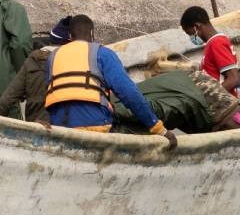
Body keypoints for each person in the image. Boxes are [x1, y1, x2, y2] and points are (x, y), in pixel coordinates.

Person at [44, 15, 175, 146]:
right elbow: (129, 94)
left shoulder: (52, 57)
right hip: (96, 127)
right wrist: (158, 128)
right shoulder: (102, 53)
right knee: (132, 125)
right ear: (92, 34)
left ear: (70, 36)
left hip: (59, 128)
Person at [0, 17, 73, 124]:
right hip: (66, 127)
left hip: (36, 126)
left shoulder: (32, 61)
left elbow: (5, 101)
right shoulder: (77, 63)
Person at [180, 6, 240, 98]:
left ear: (197, 26)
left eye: (191, 34)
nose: (192, 38)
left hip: (222, 104)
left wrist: (208, 97)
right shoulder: (213, 43)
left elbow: (233, 79)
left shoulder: (216, 43)